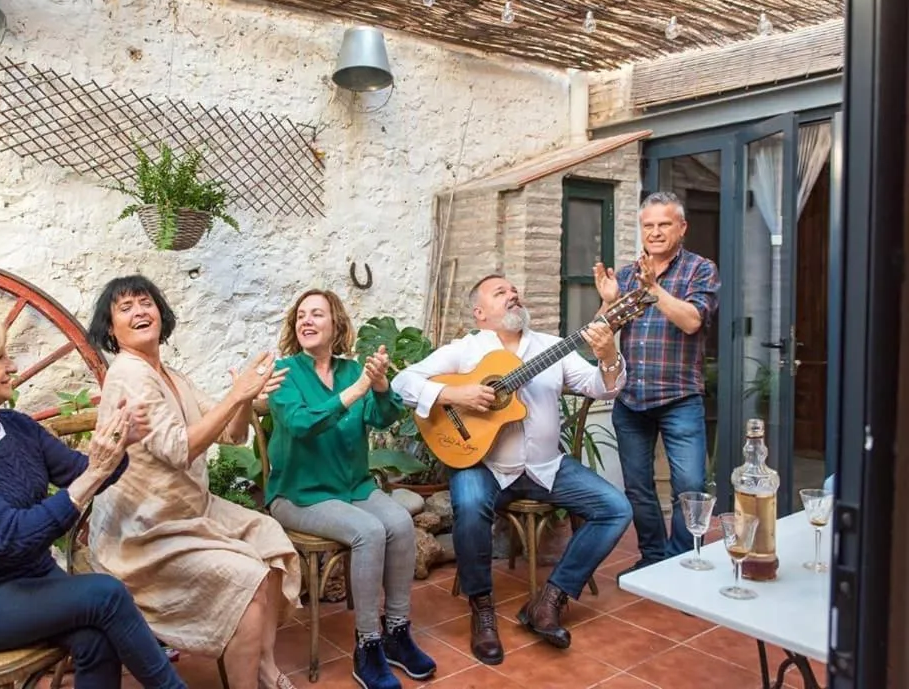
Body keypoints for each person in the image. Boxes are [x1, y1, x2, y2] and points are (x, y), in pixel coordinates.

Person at [0, 313, 185, 689]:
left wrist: (119, 444)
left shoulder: (16, 428)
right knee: (106, 593)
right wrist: (95, 473)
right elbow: (10, 539)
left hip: (27, 582)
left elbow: (90, 473)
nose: (12, 366)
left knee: (95, 637)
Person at [392, 275, 632, 663]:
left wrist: (606, 357)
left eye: (514, 291)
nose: (513, 295)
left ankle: (549, 601)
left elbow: (601, 388)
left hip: (545, 468)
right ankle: (482, 609)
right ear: (480, 313)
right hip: (484, 466)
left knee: (616, 508)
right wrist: (455, 393)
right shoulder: (466, 350)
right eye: (500, 292)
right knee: (469, 506)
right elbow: (403, 382)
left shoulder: (553, 347)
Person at [85, 275, 301, 689]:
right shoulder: (130, 374)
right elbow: (179, 448)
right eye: (125, 308)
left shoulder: (171, 373)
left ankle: (265, 665)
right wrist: (237, 395)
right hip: (143, 532)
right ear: (111, 329)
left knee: (270, 537)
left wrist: (247, 399)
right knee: (247, 576)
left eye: (145, 303)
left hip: (189, 511)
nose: (139, 312)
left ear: (160, 313)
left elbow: (230, 435)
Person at [265, 289, 436, 689]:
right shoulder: (284, 374)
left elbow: (383, 416)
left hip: (352, 487)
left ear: (336, 324)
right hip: (299, 493)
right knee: (369, 531)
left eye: (317, 314)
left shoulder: (349, 370)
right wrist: (357, 390)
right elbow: (302, 425)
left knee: (401, 523)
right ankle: (367, 644)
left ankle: (396, 631)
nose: (306, 321)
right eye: (301, 315)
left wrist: (377, 385)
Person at [594, 191, 721, 573]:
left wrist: (655, 291)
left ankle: (680, 561)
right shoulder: (629, 273)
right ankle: (653, 560)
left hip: (680, 398)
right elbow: (603, 328)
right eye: (648, 225)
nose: (655, 232)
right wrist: (608, 301)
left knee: (689, 487)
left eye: (664, 224)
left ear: (681, 228)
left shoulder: (700, 269)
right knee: (638, 487)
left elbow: (692, 320)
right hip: (631, 399)